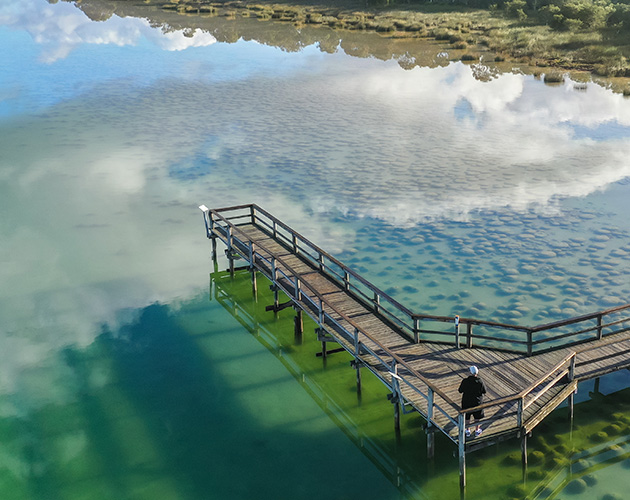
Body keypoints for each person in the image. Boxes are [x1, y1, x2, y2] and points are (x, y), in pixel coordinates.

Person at [458, 365, 486, 437]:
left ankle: (467, 430)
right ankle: (477, 430)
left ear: (470, 372)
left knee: (467, 416)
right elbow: (484, 391)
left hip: (466, 401)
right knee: (477, 417)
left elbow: (460, 390)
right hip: (477, 401)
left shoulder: (465, 381)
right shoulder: (480, 381)